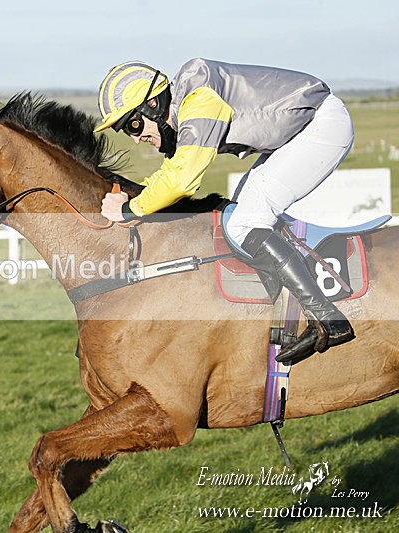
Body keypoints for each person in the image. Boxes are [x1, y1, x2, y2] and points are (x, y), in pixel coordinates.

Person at [96, 58, 355, 364]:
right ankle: (286, 316)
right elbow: (174, 168)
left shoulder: (199, 100)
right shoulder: (188, 104)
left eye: (134, 125)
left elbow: (182, 180)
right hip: (299, 133)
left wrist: (130, 209)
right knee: (241, 213)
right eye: (127, 131)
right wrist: (136, 199)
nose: (136, 137)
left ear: (153, 104)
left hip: (320, 127)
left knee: (244, 224)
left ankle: (327, 319)